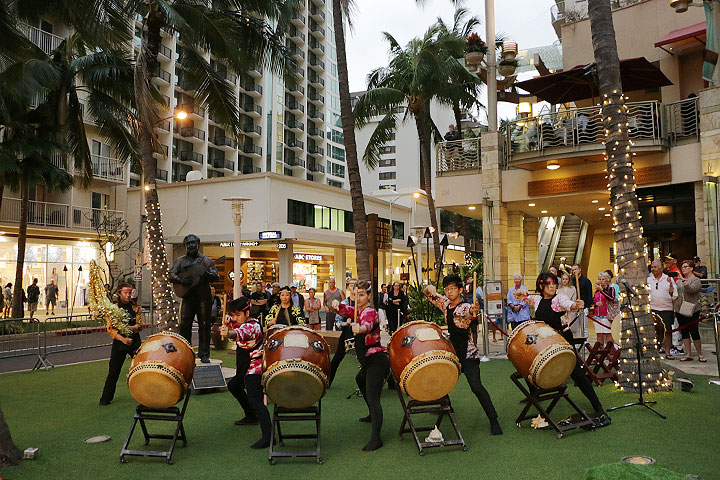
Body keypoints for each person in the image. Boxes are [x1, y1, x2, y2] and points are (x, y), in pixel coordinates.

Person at [516, 273, 611, 427]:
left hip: (562, 340)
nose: (552, 286)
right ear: (541, 286)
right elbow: (522, 297)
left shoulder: (559, 299)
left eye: (554, 283)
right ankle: (535, 397)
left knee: (577, 374)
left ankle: (598, 407)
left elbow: (569, 304)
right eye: (548, 284)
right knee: (528, 364)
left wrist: (576, 305)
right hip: (545, 341)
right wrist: (520, 292)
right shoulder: (537, 299)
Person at [424, 275, 502, 435]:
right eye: (446, 289)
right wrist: (430, 289)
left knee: (476, 387)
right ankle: (446, 405)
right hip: (452, 351)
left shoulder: (465, 307)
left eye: (452, 288)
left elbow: (471, 311)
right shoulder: (446, 304)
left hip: (468, 353)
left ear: (460, 290)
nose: (449, 292)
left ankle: (493, 419)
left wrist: (474, 309)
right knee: (440, 377)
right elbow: (430, 295)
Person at [332, 280, 390, 451]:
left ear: (369, 296)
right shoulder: (358, 310)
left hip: (376, 360)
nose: (358, 298)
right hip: (367, 361)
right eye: (355, 294)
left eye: (362, 295)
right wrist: (336, 304)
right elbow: (345, 310)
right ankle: (372, 414)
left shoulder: (370, 312)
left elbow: (367, 325)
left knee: (373, 398)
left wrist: (361, 329)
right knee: (360, 379)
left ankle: (376, 439)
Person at [222, 297, 272, 449]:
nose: (235, 318)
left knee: (256, 400)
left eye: (238, 315)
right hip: (245, 364)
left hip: (255, 366)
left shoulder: (252, 327)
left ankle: (269, 436)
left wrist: (229, 332)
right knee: (234, 385)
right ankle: (251, 415)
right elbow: (233, 324)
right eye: (233, 315)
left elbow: (238, 333)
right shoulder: (241, 322)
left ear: (247, 313)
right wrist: (228, 321)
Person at [169, 234, 219, 364]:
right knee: (185, 325)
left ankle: (204, 353)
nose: (191, 245)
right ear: (185, 245)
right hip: (188, 297)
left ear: (198, 244)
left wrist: (207, 274)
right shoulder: (180, 261)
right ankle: (186, 352)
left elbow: (216, 276)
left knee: (204, 325)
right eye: (188, 243)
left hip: (203, 298)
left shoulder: (206, 260)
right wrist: (181, 280)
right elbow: (171, 274)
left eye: (193, 243)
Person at [99, 283, 144, 406]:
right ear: (119, 293)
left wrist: (129, 328)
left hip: (135, 342)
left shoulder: (136, 308)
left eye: (129, 293)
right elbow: (110, 329)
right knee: (113, 371)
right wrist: (123, 339)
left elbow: (140, 325)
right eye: (125, 293)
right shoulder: (113, 308)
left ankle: (145, 396)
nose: (128, 295)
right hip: (119, 343)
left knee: (142, 369)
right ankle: (105, 398)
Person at [675, 260, 705, 362]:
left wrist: (683, 281)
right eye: (682, 267)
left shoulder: (696, 280)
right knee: (684, 332)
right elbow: (676, 293)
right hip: (679, 308)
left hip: (692, 309)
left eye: (685, 267)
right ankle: (688, 354)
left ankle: (700, 354)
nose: (683, 269)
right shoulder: (679, 281)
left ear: (691, 268)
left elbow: (691, 290)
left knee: (694, 331)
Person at [329, 279, 357, 385]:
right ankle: (327, 381)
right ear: (348, 287)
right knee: (337, 358)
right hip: (347, 333)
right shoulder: (344, 302)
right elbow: (338, 321)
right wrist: (345, 324)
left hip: (361, 334)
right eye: (351, 285)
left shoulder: (361, 302)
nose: (353, 287)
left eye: (355, 285)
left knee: (368, 359)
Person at [648, 260, 677, 358]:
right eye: (652, 267)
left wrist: (671, 286)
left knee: (667, 331)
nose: (653, 269)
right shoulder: (648, 279)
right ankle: (655, 351)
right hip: (653, 309)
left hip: (667, 308)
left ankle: (668, 352)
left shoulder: (668, 279)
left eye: (655, 267)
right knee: (654, 331)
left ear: (661, 268)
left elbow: (674, 294)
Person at [592, 272, 616, 346]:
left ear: (607, 280)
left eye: (603, 279)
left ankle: (610, 351)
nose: (601, 281)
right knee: (599, 335)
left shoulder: (611, 289)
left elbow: (611, 298)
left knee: (608, 335)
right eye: (600, 279)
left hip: (607, 316)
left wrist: (602, 291)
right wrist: (595, 304)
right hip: (597, 316)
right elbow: (592, 301)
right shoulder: (596, 291)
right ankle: (600, 351)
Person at [571, 264, 592, 336]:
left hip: (584, 307)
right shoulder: (572, 281)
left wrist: (587, 307)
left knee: (584, 327)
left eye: (575, 269)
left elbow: (589, 294)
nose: (574, 271)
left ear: (580, 269)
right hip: (574, 307)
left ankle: (585, 341)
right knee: (575, 327)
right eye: (573, 270)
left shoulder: (586, 281)